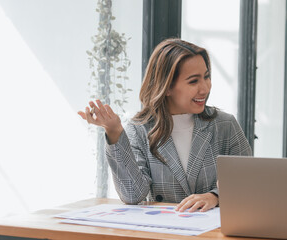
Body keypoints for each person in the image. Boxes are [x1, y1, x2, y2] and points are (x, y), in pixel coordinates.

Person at [78, 39, 252, 212]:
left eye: (206, 77)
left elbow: (249, 182)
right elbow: (133, 195)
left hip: (213, 234)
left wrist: (215, 196)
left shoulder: (224, 125)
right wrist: (114, 131)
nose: (205, 88)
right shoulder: (140, 129)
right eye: (193, 81)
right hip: (163, 233)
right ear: (166, 87)